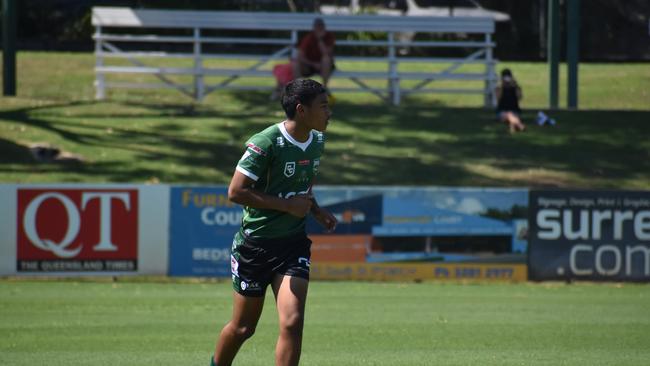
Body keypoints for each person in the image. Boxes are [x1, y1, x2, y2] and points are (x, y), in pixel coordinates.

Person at [211, 78, 338, 366]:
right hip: (255, 246)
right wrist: (287, 206)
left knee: (292, 323)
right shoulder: (266, 142)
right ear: (301, 110)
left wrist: (315, 209)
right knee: (243, 328)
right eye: (323, 106)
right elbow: (235, 192)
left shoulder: (317, 141)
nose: (329, 112)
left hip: (292, 245)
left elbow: (302, 186)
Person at [294, 18, 335, 91]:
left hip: (324, 66)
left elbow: (327, 53)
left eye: (321, 26)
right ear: (314, 28)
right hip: (310, 65)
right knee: (296, 64)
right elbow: (300, 56)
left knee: (326, 59)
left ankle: (324, 89)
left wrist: (320, 40)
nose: (319, 29)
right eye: (317, 27)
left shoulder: (329, 37)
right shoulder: (308, 38)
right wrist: (313, 64)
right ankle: (298, 90)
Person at [495, 68, 526, 133]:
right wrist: (502, 86)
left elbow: (519, 97)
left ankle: (512, 127)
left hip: (515, 111)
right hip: (502, 112)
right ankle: (520, 125)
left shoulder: (515, 87)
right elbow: (498, 98)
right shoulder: (499, 88)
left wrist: (515, 86)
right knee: (509, 115)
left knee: (510, 115)